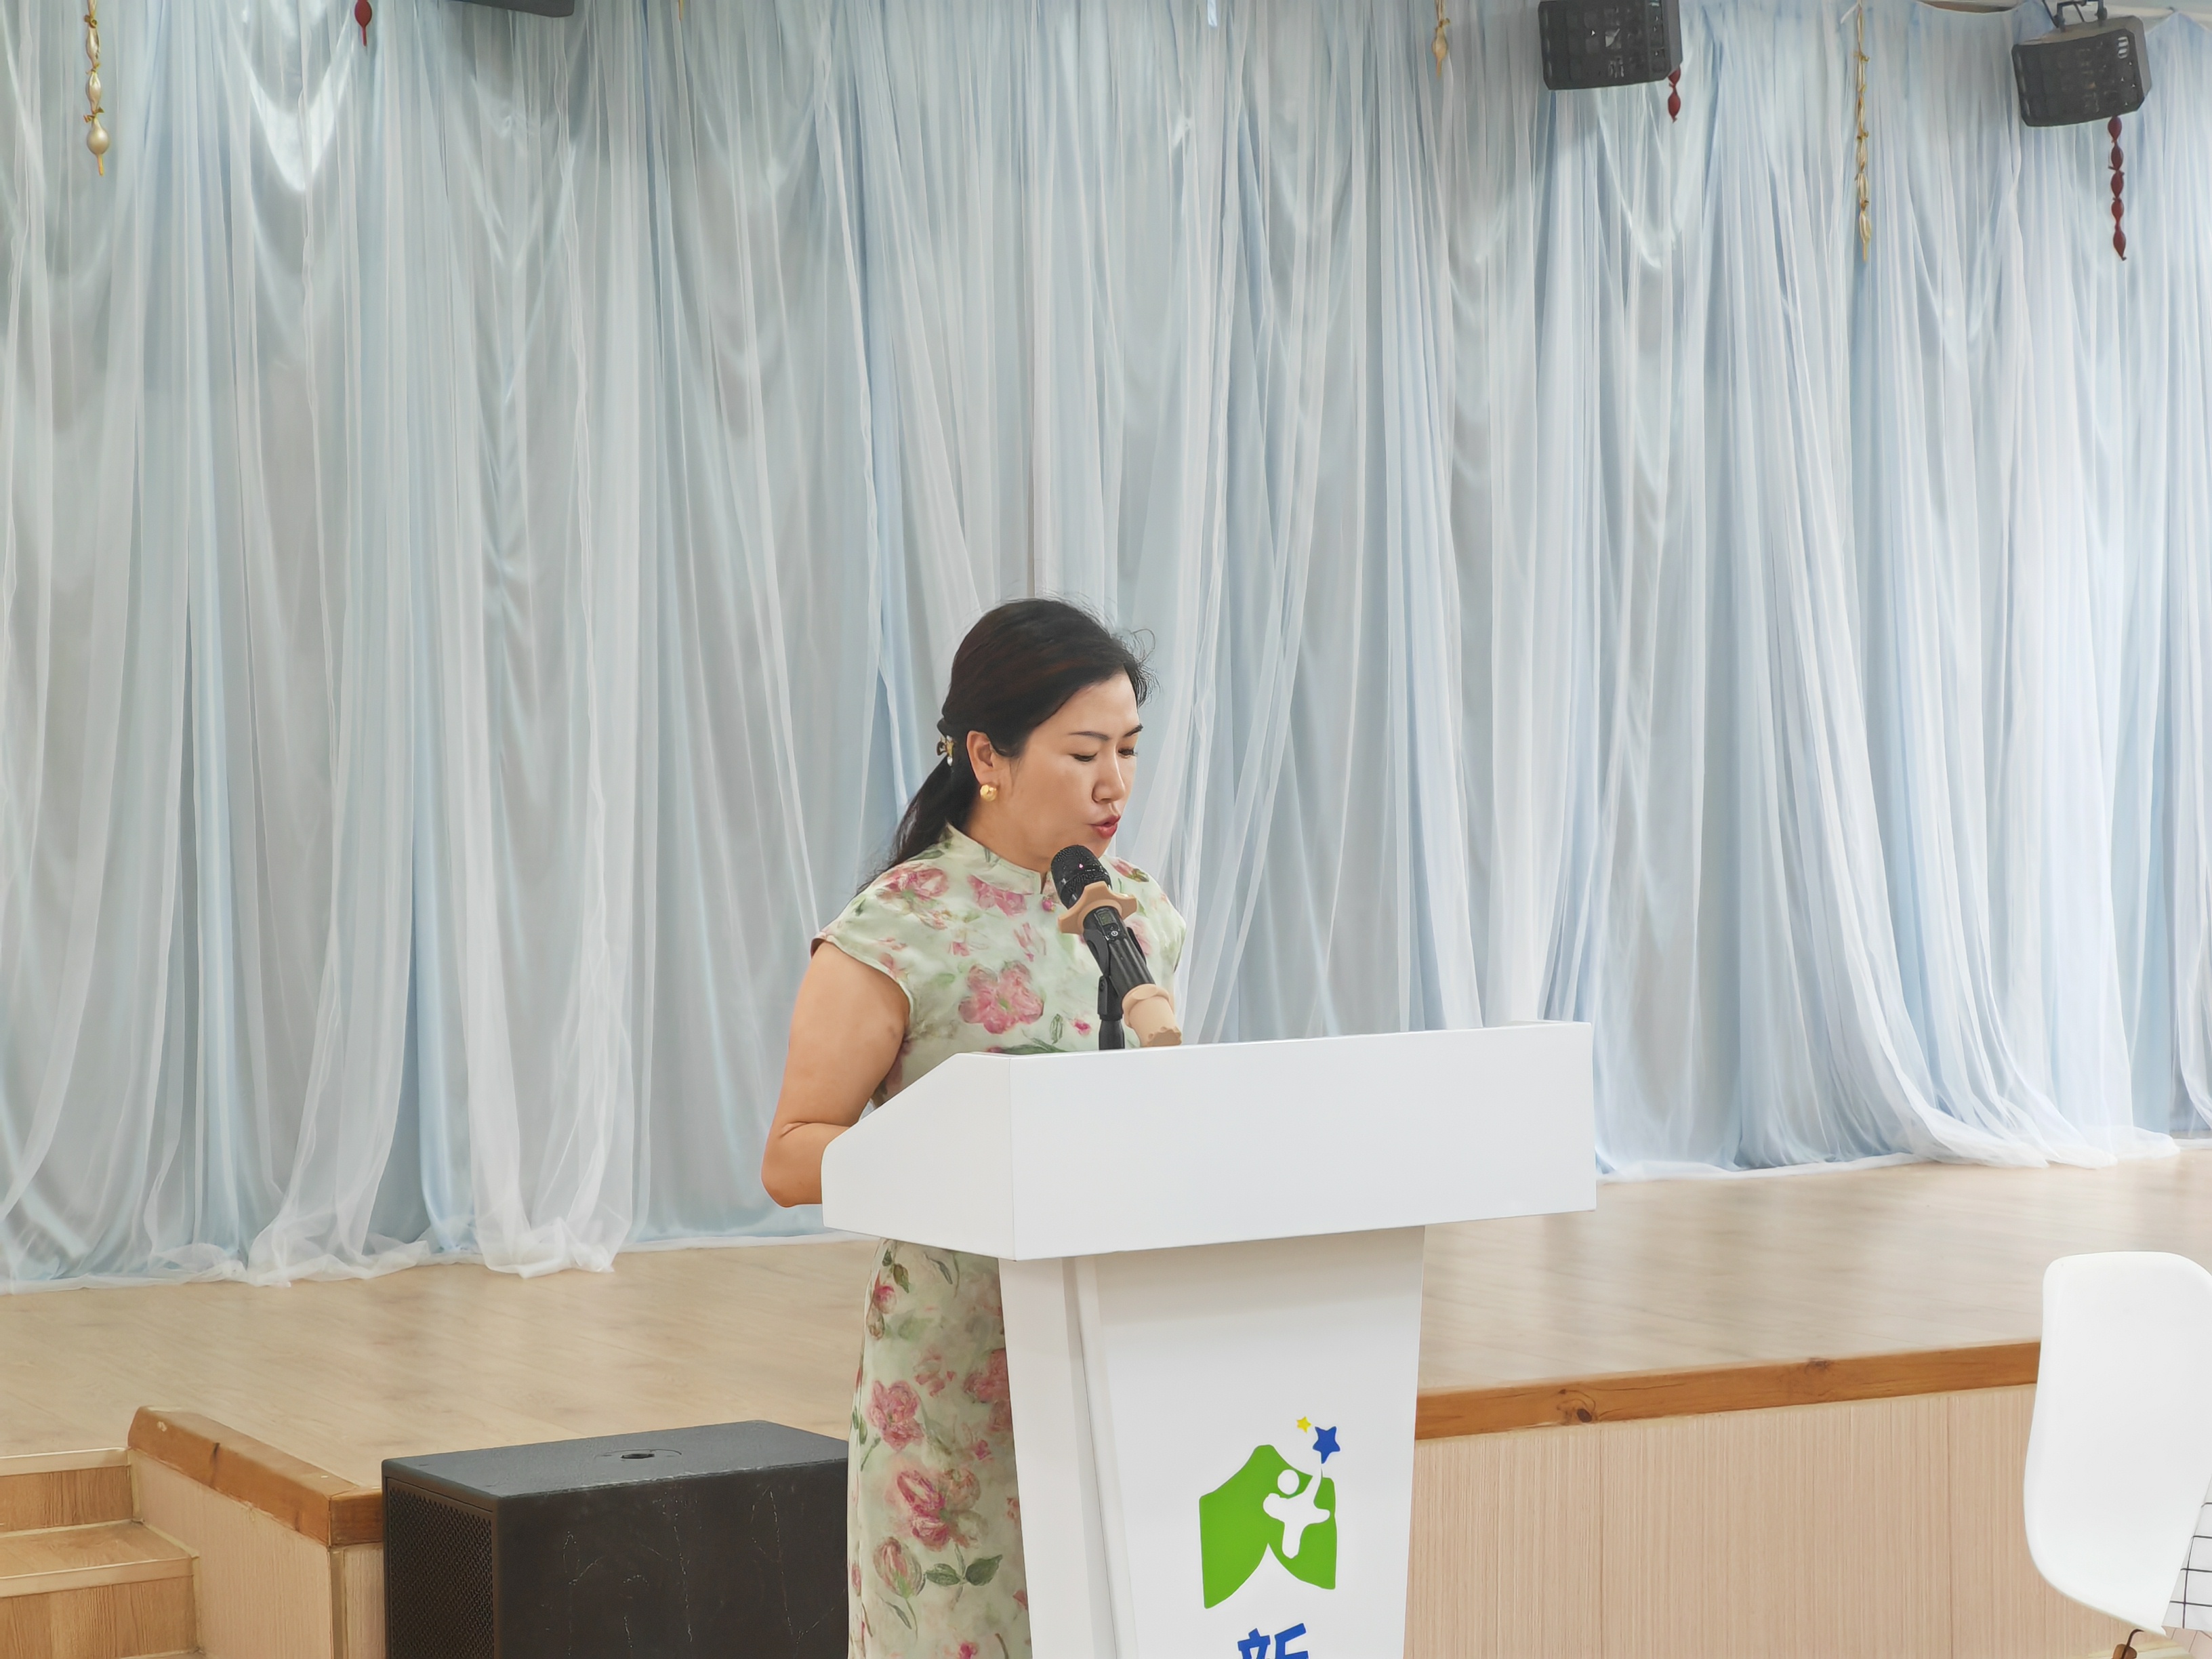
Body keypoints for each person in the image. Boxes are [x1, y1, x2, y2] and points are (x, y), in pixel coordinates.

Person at [762, 598, 1187, 1659]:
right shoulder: (896, 929)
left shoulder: (1137, 915)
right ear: (988, 755)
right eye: (1084, 752)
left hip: (1119, 1358)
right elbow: (792, 1155)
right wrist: (967, 1148)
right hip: (958, 1383)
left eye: (1130, 749)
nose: (1115, 785)